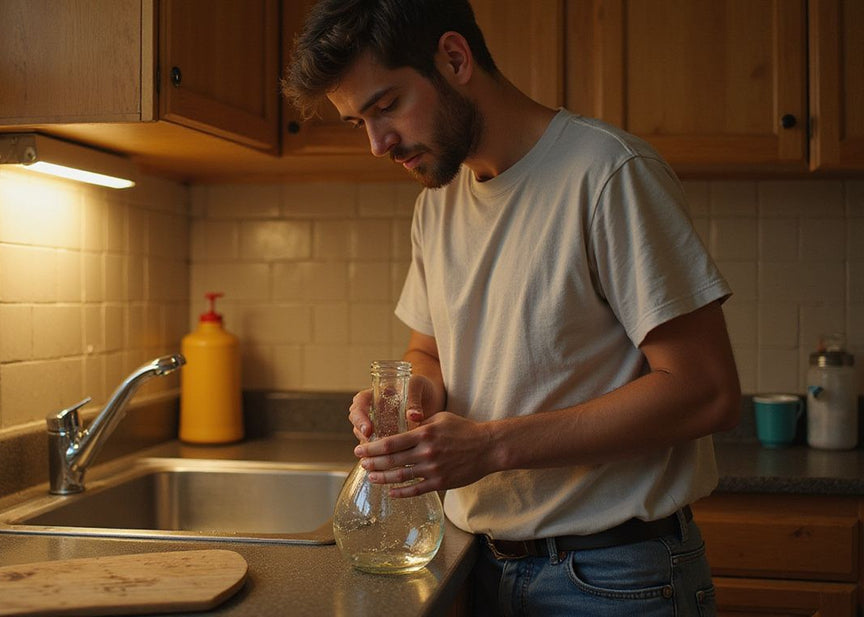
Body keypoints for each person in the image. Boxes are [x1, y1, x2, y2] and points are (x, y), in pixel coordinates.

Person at [283, 1, 741, 615]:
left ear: (454, 57)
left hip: (615, 577)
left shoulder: (607, 173)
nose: (376, 143)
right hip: (481, 563)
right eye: (357, 123)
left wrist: (492, 447)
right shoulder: (438, 203)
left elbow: (706, 390)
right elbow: (429, 349)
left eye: (386, 106)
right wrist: (417, 395)